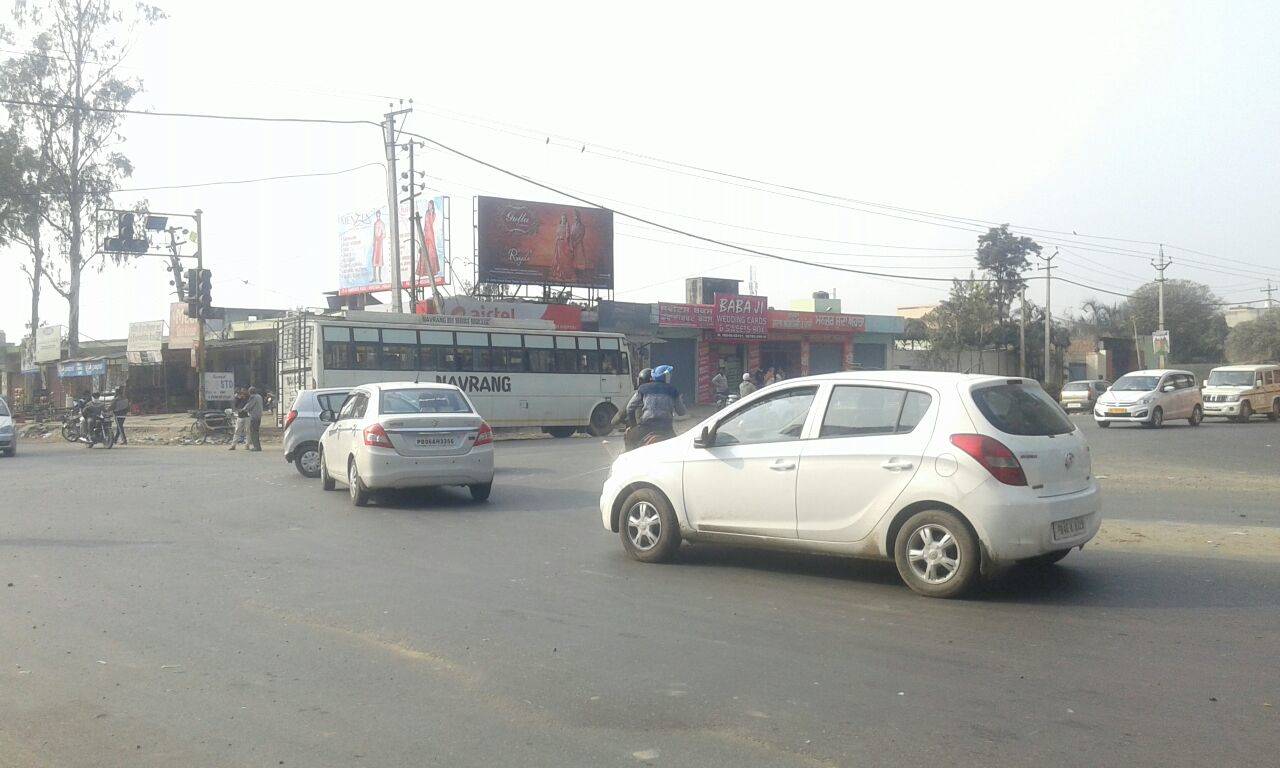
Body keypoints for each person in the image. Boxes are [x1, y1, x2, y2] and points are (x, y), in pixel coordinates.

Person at [625, 364, 687, 445]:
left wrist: (633, 425)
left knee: (630, 441)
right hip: (666, 429)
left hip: (646, 427)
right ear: (666, 376)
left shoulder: (642, 388)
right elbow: (682, 412)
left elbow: (629, 408)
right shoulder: (673, 390)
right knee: (677, 448)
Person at [244, 386, 264, 452]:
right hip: (259, 416)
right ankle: (258, 446)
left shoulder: (253, 397)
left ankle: (256, 447)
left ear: (250, 392)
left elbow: (249, 406)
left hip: (254, 417)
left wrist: (243, 410)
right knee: (256, 432)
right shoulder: (259, 396)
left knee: (253, 432)